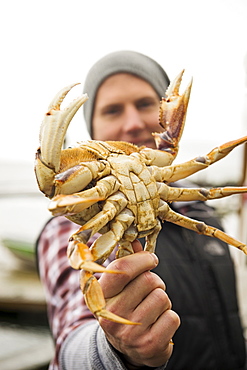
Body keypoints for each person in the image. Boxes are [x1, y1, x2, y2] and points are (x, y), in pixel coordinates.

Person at [36, 50, 246, 370]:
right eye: (112, 111)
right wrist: (115, 349)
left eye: (145, 104)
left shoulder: (201, 211)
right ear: (91, 130)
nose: (132, 123)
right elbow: (70, 343)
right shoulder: (73, 224)